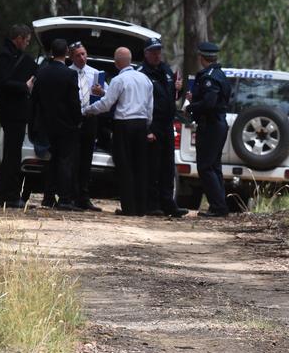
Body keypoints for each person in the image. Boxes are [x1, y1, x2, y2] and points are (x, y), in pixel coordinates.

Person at [83, 47, 153, 216]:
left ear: (116, 63)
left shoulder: (119, 80)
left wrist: (88, 110)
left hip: (124, 125)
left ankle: (128, 208)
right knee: (140, 166)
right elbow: (150, 107)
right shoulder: (145, 79)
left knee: (125, 167)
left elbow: (107, 104)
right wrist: (146, 126)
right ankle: (141, 208)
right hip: (141, 124)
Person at [138, 37, 188, 217]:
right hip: (153, 124)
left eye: (158, 50)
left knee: (167, 167)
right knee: (153, 166)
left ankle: (169, 204)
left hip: (167, 124)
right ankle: (152, 204)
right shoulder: (141, 73)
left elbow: (172, 96)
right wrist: (147, 129)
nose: (157, 54)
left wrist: (179, 89)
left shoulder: (166, 70)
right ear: (146, 53)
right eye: (153, 51)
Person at [31, 39, 82, 211]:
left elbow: (34, 100)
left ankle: (48, 197)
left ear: (52, 51)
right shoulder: (69, 74)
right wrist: (77, 120)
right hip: (66, 126)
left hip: (46, 124)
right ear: (67, 52)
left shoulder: (42, 72)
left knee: (50, 161)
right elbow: (74, 102)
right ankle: (65, 199)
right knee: (65, 161)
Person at [0, 24, 38, 208]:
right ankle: (9, 196)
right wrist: (25, 86)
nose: (27, 44)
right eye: (26, 41)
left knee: (12, 154)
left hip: (15, 112)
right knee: (11, 155)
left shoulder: (14, 56)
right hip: (12, 112)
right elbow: (3, 82)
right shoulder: (4, 56)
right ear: (18, 38)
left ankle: (5, 195)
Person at [185, 41, 231, 218]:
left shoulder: (209, 76)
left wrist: (191, 106)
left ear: (201, 57)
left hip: (211, 124)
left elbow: (209, 103)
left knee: (205, 166)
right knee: (213, 165)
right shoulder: (220, 74)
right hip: (217, 123)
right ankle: (219, 206)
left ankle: (218, 207)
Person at [68, 41, 105, 212]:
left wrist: (102, 93)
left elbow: (109, 96)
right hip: (73, 120)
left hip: (90, 118)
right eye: (78, 55)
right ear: (71, 57)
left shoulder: (96, 73)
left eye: (84, 54)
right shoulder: (68, 73)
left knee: (86, 159)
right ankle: (71, 195)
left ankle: (84, 196)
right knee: (72, 158)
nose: (82, 57)